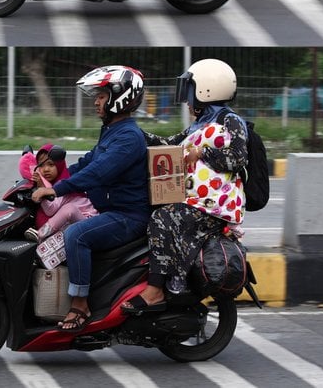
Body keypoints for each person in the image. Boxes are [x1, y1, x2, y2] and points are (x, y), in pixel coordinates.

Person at [122, 58, 248, 315]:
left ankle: (156, 289)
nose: (187, 100)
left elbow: (238, 158)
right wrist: (131, 130)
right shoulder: (199, 124)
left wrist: (202, 152)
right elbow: (168, 144)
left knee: (163, 218)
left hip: (214, 206)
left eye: (190, 92)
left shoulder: (230, 121)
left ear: (207, 90)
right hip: (195, 201)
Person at [31, 65, 150, 332]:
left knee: (77, 235)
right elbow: (86, 163)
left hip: (127, 216)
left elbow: (99, 172)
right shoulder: (113, 131)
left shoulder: (129, 137)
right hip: (109, 210)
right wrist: (48, 179)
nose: (96, 101)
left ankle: (80, 304)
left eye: (102, 95)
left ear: (120, 97)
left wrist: (55, 190)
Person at [19, 143, 98, 242]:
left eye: (51, 164)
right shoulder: (50, 184)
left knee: (69, 209)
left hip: (88, 220)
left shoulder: (62, 185)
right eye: (41, 165)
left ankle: (40, 234)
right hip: (74, 223)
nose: (46, 169)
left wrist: (42, 190)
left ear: (59, 166)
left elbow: (50, 210)